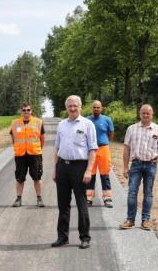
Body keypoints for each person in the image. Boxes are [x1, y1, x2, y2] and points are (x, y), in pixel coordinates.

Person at [51, 95, 97, 249]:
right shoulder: (61, 125)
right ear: (66, 108)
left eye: (75, 105)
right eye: (69, 106)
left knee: (81, 203)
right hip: (62, 166)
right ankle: (62, 237)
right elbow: (57, 148)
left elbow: (93, 149)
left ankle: (85, 237)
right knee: (63, 204)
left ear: (80, 106)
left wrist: (89, 170)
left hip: (80, 167)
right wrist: (55, 169)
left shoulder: (87, 124)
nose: (72, 108)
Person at [121, 104, 158, 231]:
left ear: (152, 115)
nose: (146, 115)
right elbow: (126, 149)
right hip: (136, 164)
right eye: (143, 113)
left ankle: (146, 220)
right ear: (140, 114)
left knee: (148, 193)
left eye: (148, 113)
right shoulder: (131, 129)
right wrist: (125, 167)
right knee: (132, 192)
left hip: (151, 165)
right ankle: (130, 220)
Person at [10, 102, 45, 207]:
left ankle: (39, 199)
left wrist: (38, 149)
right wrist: (17, 147)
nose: (26, 112)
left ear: (31, 111)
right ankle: (18, 199)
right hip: (20, 155)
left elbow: (42, 138)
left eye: (28, 110)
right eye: (24, 110)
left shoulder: (38, 122)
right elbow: (13, 138)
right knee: (19, 178)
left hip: (35, 154)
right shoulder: (15, 123)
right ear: (21, 111)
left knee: (37, 177)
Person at [86, 100, 115, 207]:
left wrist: (104, 141)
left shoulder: (107, 119)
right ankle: (88, 198)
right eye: (94, 107)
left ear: (101, 108)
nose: (96, 109)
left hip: (103, 149)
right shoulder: (87, 120)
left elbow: (111, 134)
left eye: (98, 107)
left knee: (105, 174)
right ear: (92, 108)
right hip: (90, 150)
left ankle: (107, 198)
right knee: (90, 174)